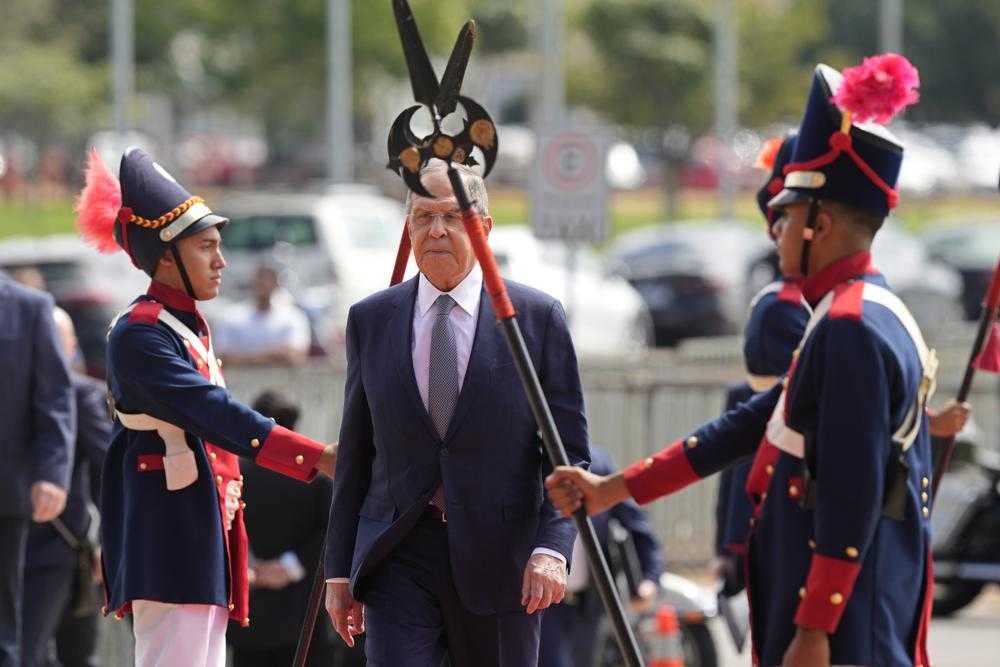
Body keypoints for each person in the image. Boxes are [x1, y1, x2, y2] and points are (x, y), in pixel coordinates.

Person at [548, 55, 952, 667]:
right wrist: (613, 489)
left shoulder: (850, 326)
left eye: (785, 216)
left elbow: (852, 490)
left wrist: (815, 627)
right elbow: (747, 424)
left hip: (843, 629)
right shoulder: (856, 311)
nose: (776, 233)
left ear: (822, 222)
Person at [74, 147, 336, 667]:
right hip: (171, 536)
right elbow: (214, 411)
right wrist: (314, 457)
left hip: (199, 530)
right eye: (207, 247)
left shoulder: (183, 326)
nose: (222, 261)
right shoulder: (141, 334)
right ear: (167, 256)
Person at [324, 160, 590, 667]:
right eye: (423, 217)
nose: (437, 229)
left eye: (452, 215)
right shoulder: (371, 320)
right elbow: (357, 452)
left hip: (503, 560)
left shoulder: (535, 320)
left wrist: (552, 549)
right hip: (398, 553)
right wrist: (339, 570)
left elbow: (567, 454)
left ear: (483, 228)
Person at [227, 390, 357, 667]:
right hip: (304, 616)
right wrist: (290, 566)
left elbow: (225, 525)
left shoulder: (236, 475)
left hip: (251, 614)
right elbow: (332, 532)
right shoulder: (318, 480)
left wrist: (250, 568)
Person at [21, 307, 109, 667]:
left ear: (72, 345)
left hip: (62, 551)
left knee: (54, 653)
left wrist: (111, 544)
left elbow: (109, 469)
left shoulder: (82, 395)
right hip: (19, 548)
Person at [0, 273, 75, 667]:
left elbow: (56, 398)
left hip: (5, 494)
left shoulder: (29, 307)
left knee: (3, 632)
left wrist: (52, 473)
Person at [538, 445, 663, 667]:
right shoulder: (527, 462)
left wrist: (649, 579)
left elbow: (638, 526)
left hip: (589, 603)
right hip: (542, 602)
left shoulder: (598, 465)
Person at [214, 264, 312, 365]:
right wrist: (272, 355)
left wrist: (244, 357)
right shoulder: (232, 316)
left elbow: (296, 356)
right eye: (260, 280)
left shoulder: (293, 317)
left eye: (268, 281)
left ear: (276, 284)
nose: (264, 284)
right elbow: (222, 357)